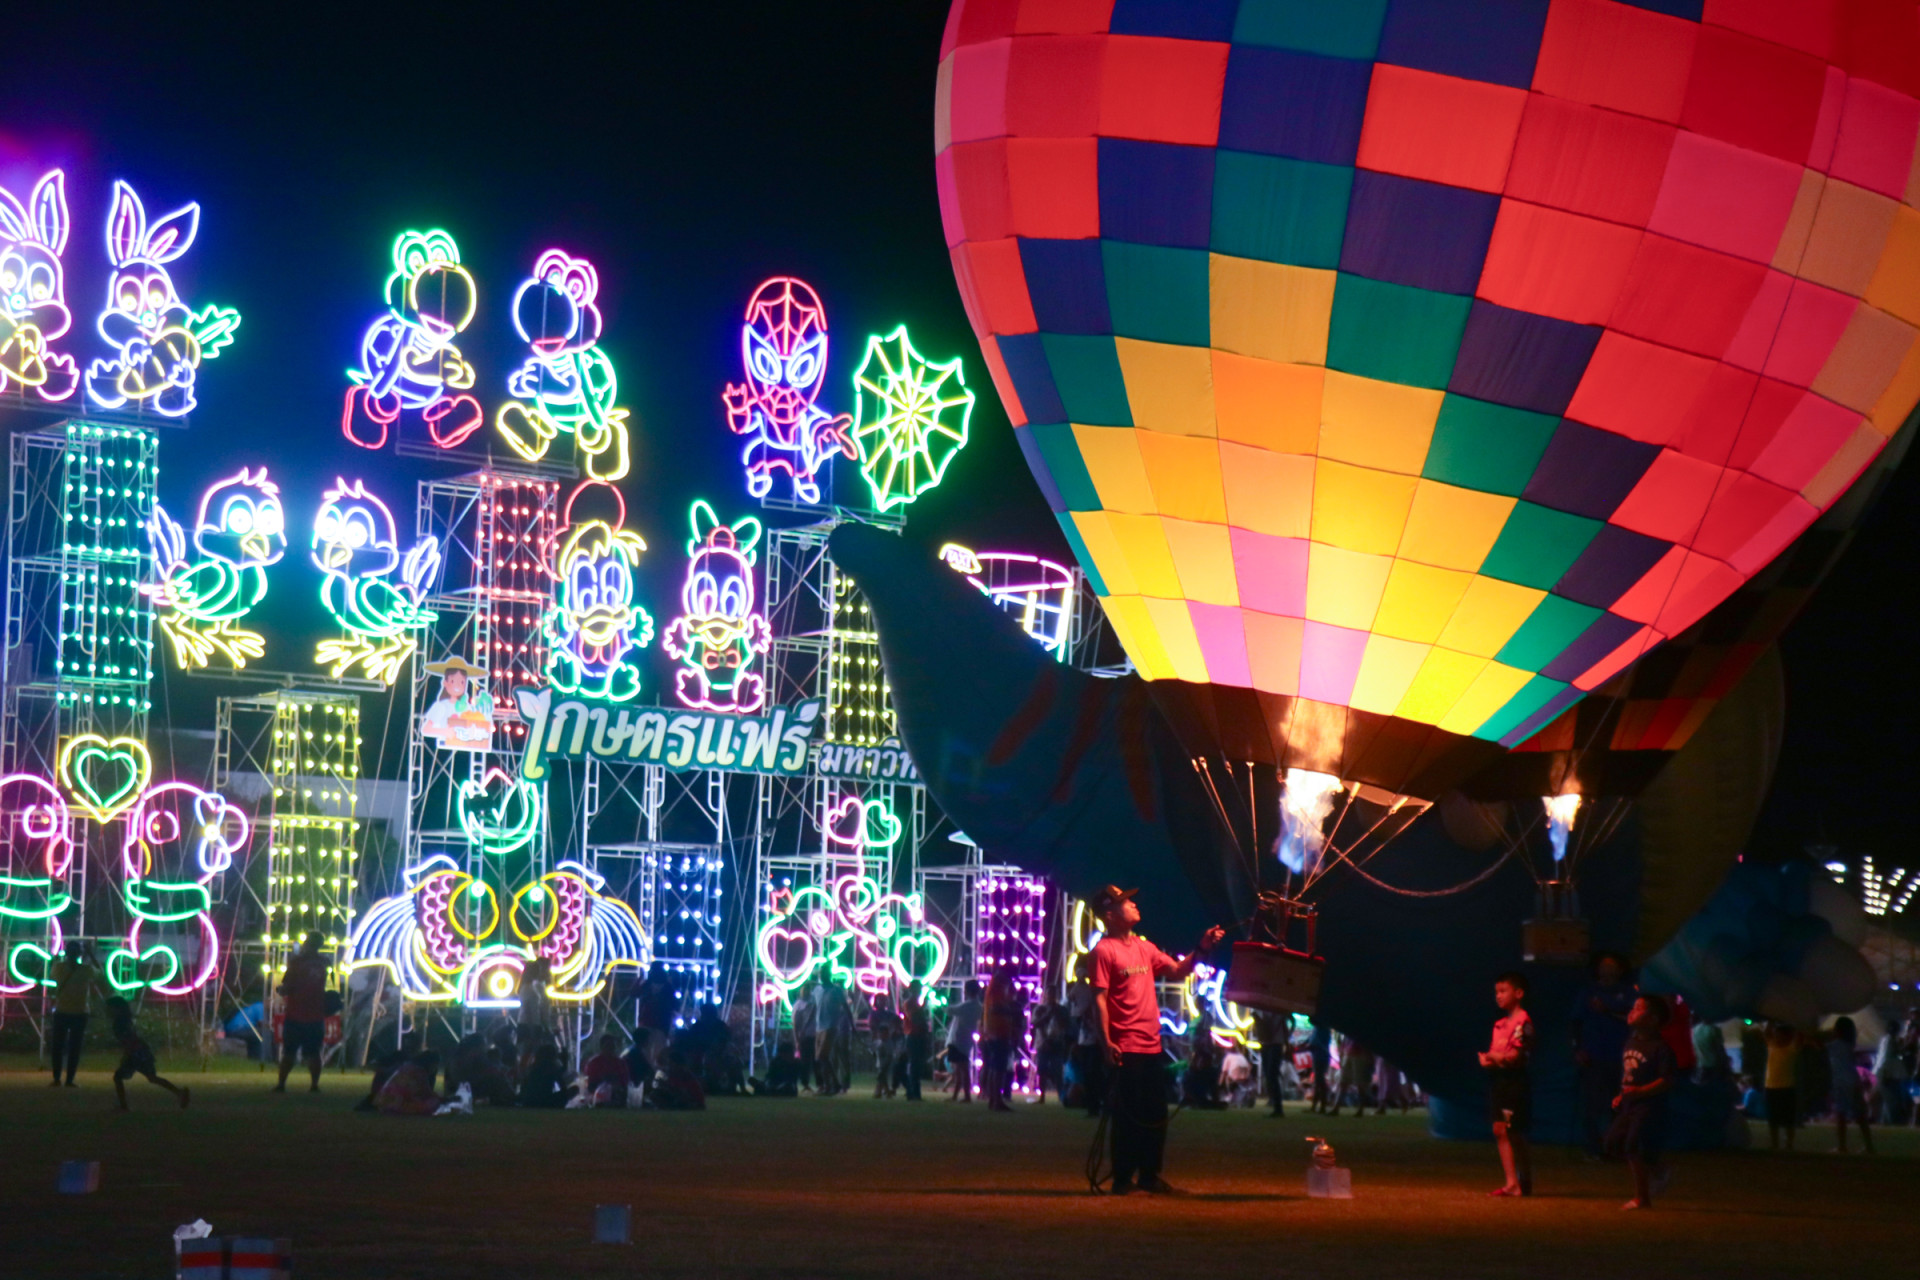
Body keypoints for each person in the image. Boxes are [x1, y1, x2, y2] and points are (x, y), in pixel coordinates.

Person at [1089, 883, 1225, 1196]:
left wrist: (1202, 948)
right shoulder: (1103, 951)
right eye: (1125, 902)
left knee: (1155, 1113)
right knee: (1127, 1114)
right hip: (1126, 1046)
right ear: (1109, 914)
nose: (1133, 905)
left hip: (1151, 1044)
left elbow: (1176, 970)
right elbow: (1099, 1000)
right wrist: (1106, 1041)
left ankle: (1149, 1176)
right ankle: (1123, 1179)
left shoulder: (1144, 947)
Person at [1607, 994, 1676, 1210]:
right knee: (1612, 1143)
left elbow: (1666, 1080)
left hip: (1648, 1105)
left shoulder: (1661, 1048)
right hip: (1629, 1105)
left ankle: (1641, 1198)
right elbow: (1629, 1074)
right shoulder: (1631, 1042)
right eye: (1633, 1007)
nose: (1632, 1011)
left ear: (1653, 1019)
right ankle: (1656, 1168)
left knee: (1633, 1146)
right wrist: (1622, 1095)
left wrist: (1640, 1091)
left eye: (1639, 1008)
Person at [1569, 951, 1637, 1156]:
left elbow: (1634, 1020)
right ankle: (1593, 1149)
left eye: (1612, 966)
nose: (1607, 970)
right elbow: (1575, 1022)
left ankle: (1615, 1148)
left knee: (1619, 1105)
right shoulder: (1588, 992)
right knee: (1592, 1105)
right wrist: (1577, 1049)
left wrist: (1607, 1010)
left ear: (1620, 970)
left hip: (1622, 1057)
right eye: (1604, 966)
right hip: (1594, 1057)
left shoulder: (1628, 993)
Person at [1478, 970, 1534, 1198]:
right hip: (1499, 1082)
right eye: (1496, 992)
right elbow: (1497, 1054)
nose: (1498, 996)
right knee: (1499, 1130)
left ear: (1518, 993)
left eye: (1503, 991)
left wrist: (1496, 1057)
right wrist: (1488, 1060)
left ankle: (1522, 1180)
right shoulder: (1499, 1024)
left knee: (1513, 1132)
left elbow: (1516, 1056)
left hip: (1514, 1082)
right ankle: (1512, 1183)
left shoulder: (1523, 1022)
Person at [105, 998, 189, 1111]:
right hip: (141, 1052)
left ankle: (123, 1105)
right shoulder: (124, 1021)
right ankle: (179, 1092)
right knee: (152, 1078)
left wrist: (127, 1055)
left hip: (136, 1053)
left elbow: (128, 1040)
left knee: (118, 1077)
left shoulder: (119, 1024)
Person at [274, 931, 330, 1093]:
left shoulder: (297, 962)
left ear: (307, 943)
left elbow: (288, 985)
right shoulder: (324, 962)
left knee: (289, 1051)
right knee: (314, 1052)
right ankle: (314, 1085)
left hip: (296, 1013)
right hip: (316, 1014)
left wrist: (281, 990)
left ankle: (281, 1084)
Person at [47, 940, 99, 1088]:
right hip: (80, 1012)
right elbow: (100, 973)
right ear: (79, 954)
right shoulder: (86, 970)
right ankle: (69, 1080)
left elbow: (51, 971)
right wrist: (90, 954)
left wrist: (54, 954)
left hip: (62, 1011)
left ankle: (56, 1078)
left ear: (66, 952)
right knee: (74, 1048)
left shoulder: (59, 967)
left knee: (57, 1047)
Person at [1826, 1017, 1874, 1154]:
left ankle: (1842, 1146)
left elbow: (1818, 1044)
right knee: (1860, 1115)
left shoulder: (1834, 1045)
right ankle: (1869, 1146)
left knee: (1841, 1114)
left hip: (1841, 1082)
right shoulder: (1849, 1045)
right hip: (1854, 1081)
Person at [980, 967, 1022, 1112]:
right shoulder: (997, 989)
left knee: (994, 1067)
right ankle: (996, 1100)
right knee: (998, 1068)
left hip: (994, 1032)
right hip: (998, 1032)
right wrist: (1011, 1010)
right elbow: (996, 1008)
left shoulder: (995, 987)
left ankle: (994, 1100)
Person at [1065, 960, 1104, 1115]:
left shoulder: (1092, 996)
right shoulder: (1084, 993)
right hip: (1087, 1042)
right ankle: (1091, 1105)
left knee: (1093, 1073)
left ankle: (1095, 1105)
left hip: (1094, 1042)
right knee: (1088, 1074)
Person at [1763, 1021, 1802, 1151]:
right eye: (1776, 1035)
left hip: (1786, 1088)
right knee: (1773, 1119)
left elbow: (1798, 1036)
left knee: (1788, 1119)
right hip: (1771, 1087)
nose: (1777, 1037)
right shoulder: (1771, 1046)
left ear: (1787, 1036)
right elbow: (1766, 1033)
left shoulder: (1791, 1048)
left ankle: (1788, 1144)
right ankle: (1775, 1144)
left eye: (1779, 1035)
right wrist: (1771, 1020)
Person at [944, 979, 983, 1102]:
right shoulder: (979, 1007)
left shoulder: (967, 1005)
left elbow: (950, 1010)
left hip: (958, 1040)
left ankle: (966, 1096)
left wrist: (941, 1003)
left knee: (962, 1070)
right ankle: (957, 1095)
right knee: (960, 1070)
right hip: (966, 1041)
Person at [635, 962, 679, 1071]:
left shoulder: (668, 988)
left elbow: (674, 1005)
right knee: (645, 1051)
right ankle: (647, 1071)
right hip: (647, 1022)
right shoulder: (648, 984)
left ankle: (655, 1072)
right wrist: (639, 980)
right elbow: (633, 994)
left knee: (658, 1052)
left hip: (660, 1024)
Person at [813, 974, 851, 1095]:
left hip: (831, 1026)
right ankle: (831, 1084)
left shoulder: (836, 990)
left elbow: (846, 1007)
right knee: (821, 1058)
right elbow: (814, 1007)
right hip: (819, 1027)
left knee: (822, 1056)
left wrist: (852, 1025)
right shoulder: (817, 990)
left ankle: (831, 1085)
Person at [376, 1051, 443, 1115]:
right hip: (398, 1105)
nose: (436, 1068)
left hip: (384, 1103)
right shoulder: (420, 1073)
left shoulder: (407, 1066)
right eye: (435, 1065)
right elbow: (426, 1093)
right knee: (434, 1102)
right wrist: (440, 1099)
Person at [1873, 1016, 1910, 1125]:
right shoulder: (1889, 1040)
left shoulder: (1888, 1040)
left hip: (1887, 1075)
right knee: (1892, 1102)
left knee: (1889, 1102)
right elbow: (1886, 1058)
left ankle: (1885, 1123)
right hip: (1887, 1075)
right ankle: (1891, 1122)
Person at [1254, 1009, 1292, 1117]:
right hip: (1269, 1043)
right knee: (1269, 1074)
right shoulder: (1266, 1010)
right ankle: (1274, 1102)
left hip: (1274, 1044)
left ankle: (1277, 1106)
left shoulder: (1277, 1011)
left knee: (1272, 1074)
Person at [900, 980, 931, 1102]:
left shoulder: (914, 1003)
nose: (919, 991)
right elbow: (915, 1018)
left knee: (916, 1065)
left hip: (918, 1036)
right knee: (914, 1065)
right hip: (913, 1036)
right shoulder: (910, 1003)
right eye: (917, 989)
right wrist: (923, 1008)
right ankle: (913, 1092)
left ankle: (913, 1092)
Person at [518, 1042, 573, 1108]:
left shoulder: (533, 1067)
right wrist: (565, 1062)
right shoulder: (550, 1067)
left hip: (528, 1102)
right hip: (543, 1102)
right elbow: (563, 1086)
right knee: (573, 1090)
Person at [585, 1033, 632, 1106]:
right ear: (602, 1047)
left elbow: (625, 1082)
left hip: (617, 1098)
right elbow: (590, 1084)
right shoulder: (594, 1063)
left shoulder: (621, 1063)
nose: (611, 1048)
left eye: (613, 1046)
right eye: (608, 1046)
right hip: (598, 1099)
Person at [869, 995, 902, 1098]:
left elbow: (898, 1022)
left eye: (884, 1000)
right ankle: (884, 1091)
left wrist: (894, 1030)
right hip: (878, 1043)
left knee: (884, 1068)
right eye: (880, 1000)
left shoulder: (890, 1014)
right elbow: (873, 1027)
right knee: (882, 1067)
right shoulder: (874, 1014)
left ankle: (881, 1090)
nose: (883, 1002)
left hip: (888, 1043)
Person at [790, 990, 817, 1093]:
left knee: (811, 1060)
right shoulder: (801, 1005)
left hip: (810, 1034)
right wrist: (797, 1038)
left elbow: (795, 1022)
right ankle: (805, 1082)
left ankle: (808, 1082)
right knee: (806, 1060)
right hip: (805, 1035)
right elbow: (795, 1023)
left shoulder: (805, 1004)